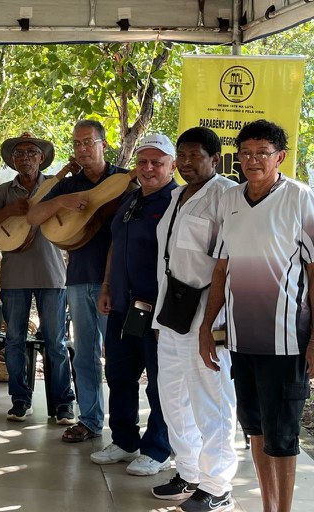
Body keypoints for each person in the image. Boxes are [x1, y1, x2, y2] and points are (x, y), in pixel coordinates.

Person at [199, 120, 314, 512]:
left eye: (262, 153)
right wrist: (205, 327)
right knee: (256, 432)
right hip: (241, 340)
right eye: (245, 153)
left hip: (285, 343)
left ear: (280, 156)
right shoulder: (232, 200)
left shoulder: (300, 198)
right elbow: (220, 270)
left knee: (282, 438)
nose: (253, 160)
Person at [149, 127, 238, 509]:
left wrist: (211, 325)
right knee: (173, 399)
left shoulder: (226, 196)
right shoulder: (176, 196)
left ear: (214, 159)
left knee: (211, 401)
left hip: (208, 314)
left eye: (194, 156)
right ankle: (188, 472)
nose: (186, 163)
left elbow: (228, 263)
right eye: (181, 156)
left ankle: (217, 486)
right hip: (171, 312)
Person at [27, 120, 129, 439]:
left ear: (104, 143)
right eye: (77, 144)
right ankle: (89, 420)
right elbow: (32, 216)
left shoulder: (123, 181)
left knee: (118, 357)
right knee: (84, 353)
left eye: (88, 142)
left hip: (114, 282)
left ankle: (125, 430)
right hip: (77, 279)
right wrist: (61, 202)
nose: (82, 150)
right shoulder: (70, 184)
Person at [92, 134, 176, 476]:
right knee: (120, 375)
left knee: (159, 382)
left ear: (171, 165)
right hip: (124, 307)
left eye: (157, 162)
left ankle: (158, 449)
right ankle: (125, 441)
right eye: (143, 162)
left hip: (158, 310)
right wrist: (108, 286)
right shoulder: (130, 200)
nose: (149, 168)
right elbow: (116, 244)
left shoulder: (177, 201)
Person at [0, 132, 75, 422]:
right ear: (13, 160)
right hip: (14, 277)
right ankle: (20, 400)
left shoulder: (58, 188)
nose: (25, 158)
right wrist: (8, 210)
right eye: (19, 154)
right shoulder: (5, 191)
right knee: (16, 340)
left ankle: (63, 405)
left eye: (31, 153)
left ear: (41, 158)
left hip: (53, 275)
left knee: (55, 343)